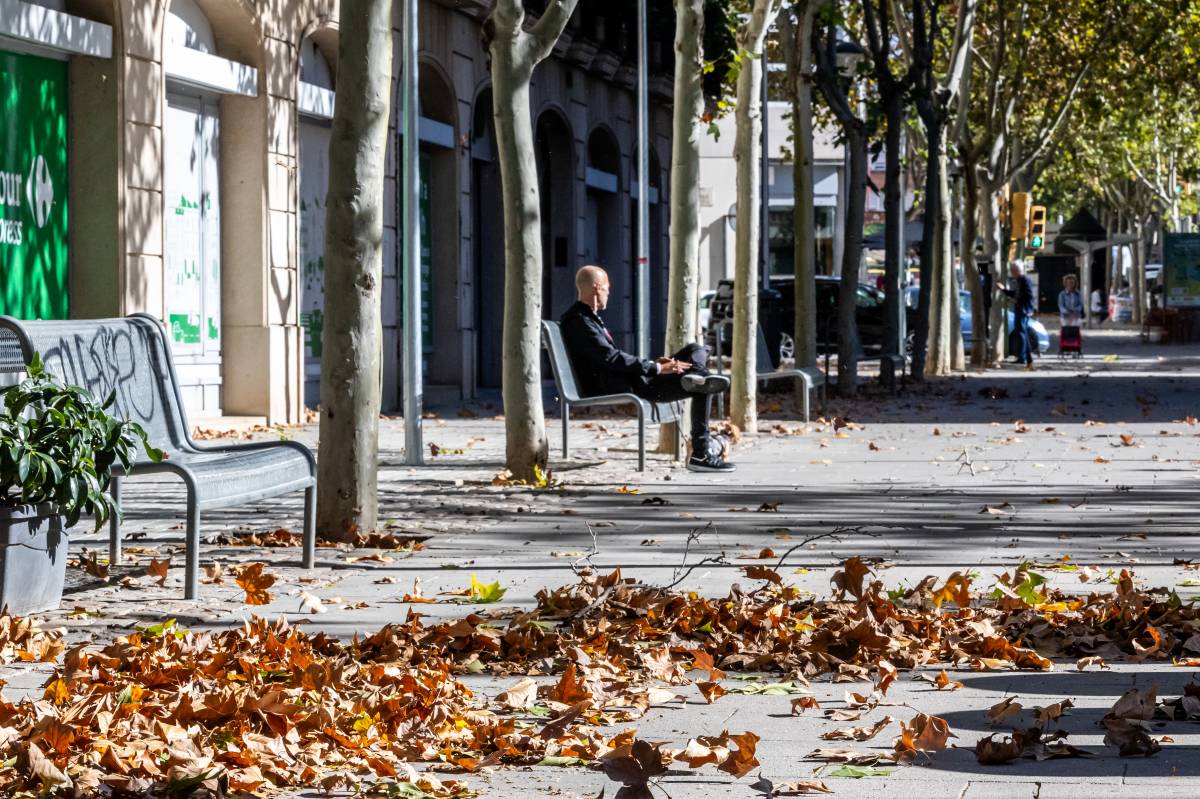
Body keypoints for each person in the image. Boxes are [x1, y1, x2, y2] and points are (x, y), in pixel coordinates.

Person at [560, 266, 735, 473]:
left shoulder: (584, 317)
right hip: (623, 385)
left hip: (629, 380)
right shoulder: (580, 321)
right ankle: (700, 453)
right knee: (702, 384)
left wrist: (657, 365)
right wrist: (656, 367)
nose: (609, 292)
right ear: (597, 287)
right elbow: (611, 358)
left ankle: (697, 375)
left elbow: (609, 357)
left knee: (696, 350)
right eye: (607, 288)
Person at [1002, 262, 1036, 370]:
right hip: (1022, 309)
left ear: (1017, 270)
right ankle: (1025, 357)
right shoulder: (1020, 280)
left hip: (1023, 310)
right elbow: (1016, 294)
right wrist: (1005, 291)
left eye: (1012, 270)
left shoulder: (1024, 280)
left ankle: (1025, 358)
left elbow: (1028, 296)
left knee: (1022, 333)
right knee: (1021, 333)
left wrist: (1019, 303)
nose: (1011, 272)